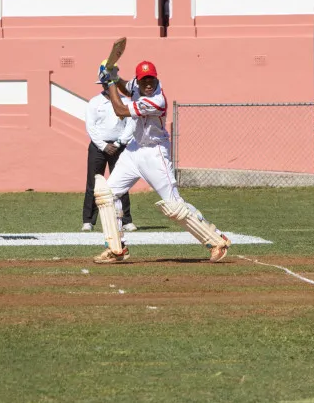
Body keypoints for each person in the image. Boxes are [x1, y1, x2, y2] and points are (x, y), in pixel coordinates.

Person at [91, 60, 231, 264]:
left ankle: (217, 240)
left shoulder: (156, 100)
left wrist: (110, 82)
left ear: (156, 78)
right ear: (138, 80)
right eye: (144, 80)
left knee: (173, 205)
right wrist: (115, 77)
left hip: (155, 152)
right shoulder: (136, 85)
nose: (148, 84)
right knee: (107, 195)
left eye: (151, 79)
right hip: (134, 149)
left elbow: (120, 110)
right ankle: (116, 248)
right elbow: (126, 88)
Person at [83, 67, 135, 233]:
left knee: (122, 183)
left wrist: (119, 143)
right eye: (105, 83)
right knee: (93, 183)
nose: (108, 86)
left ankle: (126, 220)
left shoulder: (125, 101)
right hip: (98, 147)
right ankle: (88, 221)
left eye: (111, 82)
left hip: (119, 147)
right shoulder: (94, 102)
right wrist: (103, 145)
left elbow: (131, 125)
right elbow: (91, 127)